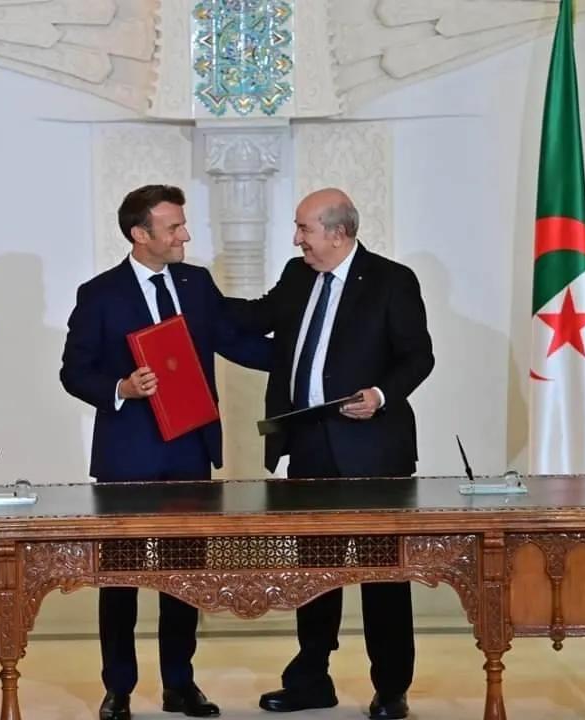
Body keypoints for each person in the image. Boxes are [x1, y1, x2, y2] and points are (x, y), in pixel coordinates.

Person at [59, 184, 271, 720]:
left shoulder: (196, 284)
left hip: (189, 451)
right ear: (140, 234)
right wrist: (121, 388)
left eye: (182, 225)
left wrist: (315, 359)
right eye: (174, 227)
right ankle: (119, 689)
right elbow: (74, 371)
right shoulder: (99, 294)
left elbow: (236, 340)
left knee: (183, 576)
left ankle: (180, 684)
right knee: (121, 580)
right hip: (127, 459)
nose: (185, 235)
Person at [226, 188, 434, 720]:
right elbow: (256, 319)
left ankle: (391, 687)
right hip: (310, 445)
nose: (297, 239)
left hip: (374, 450)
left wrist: (381, 395)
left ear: (338, 233)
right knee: (315, 572)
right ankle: (311, 680)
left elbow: (418, 356)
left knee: (383, 575)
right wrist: (196, 299)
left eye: (304, 229)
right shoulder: (298, 277)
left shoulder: (391, 280)